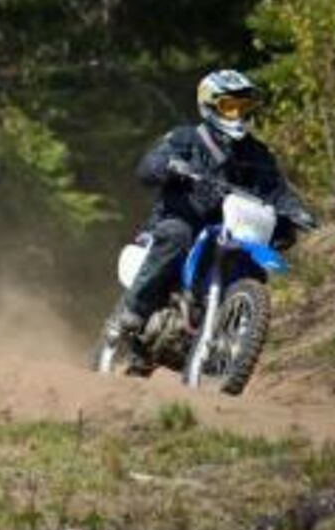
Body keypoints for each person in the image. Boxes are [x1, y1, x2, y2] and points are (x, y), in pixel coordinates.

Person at [118, 69, 317, 334]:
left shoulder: (258, 153)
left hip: (232, 228)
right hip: (183, 217)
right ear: (210, 106)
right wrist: (167, 165)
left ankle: (232, 337)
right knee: (176, 235)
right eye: (230, 107)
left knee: (252, 266)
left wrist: (297, 212)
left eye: (244, 107)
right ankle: (137, 308)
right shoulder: (186, 137)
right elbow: (149, 165)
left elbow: (276, 190)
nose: (239, 114)